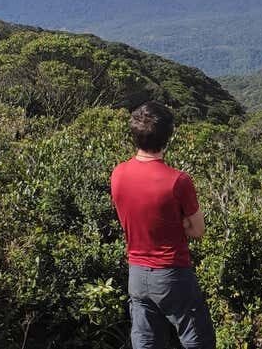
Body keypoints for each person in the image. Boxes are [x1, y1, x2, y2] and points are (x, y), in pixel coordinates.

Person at [110, 101, 216, 349]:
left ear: (134, 135)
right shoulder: (178, 181)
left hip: (136, 273)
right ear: (168, 137)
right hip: (172, 273)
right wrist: (176, 222)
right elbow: (198, 230)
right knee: (198, 340)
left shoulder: (118, 173)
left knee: (146, 342)